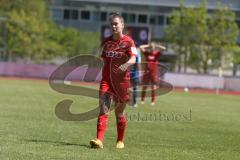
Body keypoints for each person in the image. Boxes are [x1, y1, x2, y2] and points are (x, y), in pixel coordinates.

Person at [90, 13, 137, 149]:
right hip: (107, 81)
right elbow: (103, 59)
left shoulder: (129, 42)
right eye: (112, 24)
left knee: (119, 113)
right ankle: (99, 140)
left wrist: (126, 64)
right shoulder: (106, 42)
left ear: (122, 25)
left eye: (116, 23)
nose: (114, 26)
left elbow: (134, 58)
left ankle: (120, 140)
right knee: (104, 110)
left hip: (122, 83)